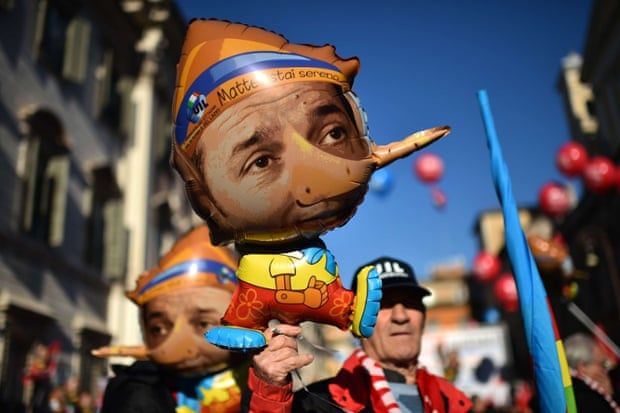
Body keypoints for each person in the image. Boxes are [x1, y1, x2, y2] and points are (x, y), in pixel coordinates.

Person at [242, 256, 473, 412]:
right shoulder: (318, 404)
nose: (400, 315)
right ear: (356, 321)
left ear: (423, 317)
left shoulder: (453, 400)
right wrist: (269, 391)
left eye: (411, 303)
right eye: (382, 304)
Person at [95, 225, 248, 413]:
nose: (174, 344)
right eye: (158, 328)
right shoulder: (136, 388)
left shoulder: (266, 380)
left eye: (203, 324)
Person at [564, 332, 620, 413]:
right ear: (583, 367)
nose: (605, 370)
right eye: (602, 364)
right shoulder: (588, 398)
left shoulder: (562, 387)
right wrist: (610, 396)